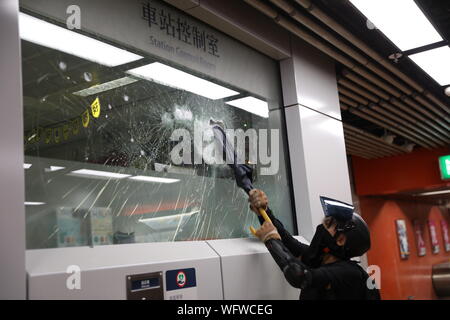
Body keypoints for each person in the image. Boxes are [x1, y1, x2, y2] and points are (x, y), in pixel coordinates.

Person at [248, 189, 380, 300]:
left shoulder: (348, 273)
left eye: (328, 225)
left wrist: (271, 240)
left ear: (340, 240)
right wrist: (263, 211)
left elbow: (299, 276)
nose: (321, 227)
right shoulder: (320, 260)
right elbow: (288, 241)